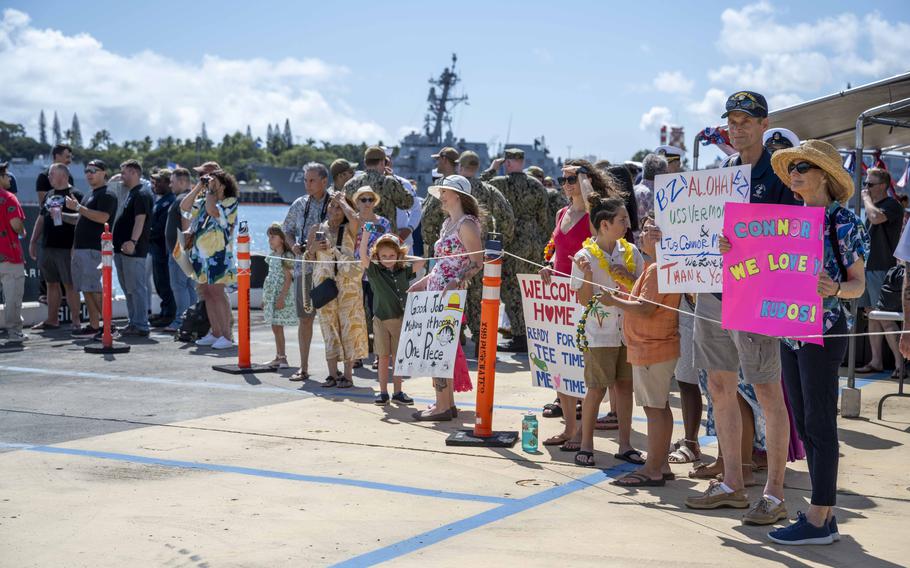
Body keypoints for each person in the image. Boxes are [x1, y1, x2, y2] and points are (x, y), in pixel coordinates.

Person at [686, 91, 799, 526]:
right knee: (719, 385)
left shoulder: (781, 174)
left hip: (755, 293)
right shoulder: (722, 173)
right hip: (713, 291)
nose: (737, 127)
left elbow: (794, 235)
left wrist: (745, 243)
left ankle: (774, 492)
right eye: (732, 120)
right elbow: (696, 227)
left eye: (746, 119)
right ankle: (732, 482)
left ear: (764, 123)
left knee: (768, 391)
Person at [765, 139, 867, 545]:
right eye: (792, 166)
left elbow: (859, 286)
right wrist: (733, 250)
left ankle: (819, 516)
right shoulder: (789, 220)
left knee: (820, 422)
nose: (795, 172)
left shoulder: (842, 220)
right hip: (791, 332)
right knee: (805, 421)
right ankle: (825, 513)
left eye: (804, 166)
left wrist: (834, 288)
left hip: (825, 331)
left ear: (824, 175)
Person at [570, 195, 644, 467]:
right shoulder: (583, 256)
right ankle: (586, 444)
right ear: (604, 224)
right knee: (597, 389)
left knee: (625, 388)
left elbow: (641, 289)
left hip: (627, 330)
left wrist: (626, 275)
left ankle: (625, 444)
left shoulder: (632, 252)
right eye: (622, 220)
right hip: (598, 332)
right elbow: (582, 299)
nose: (627, 224)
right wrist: (588, 275)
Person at [607, 219, 681, 486]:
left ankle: (652, 468)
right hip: (654, 346)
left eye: (651, 231)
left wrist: (612, 300)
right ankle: (660, 464)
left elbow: (646, 308)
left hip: (652, 347)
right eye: (645, 229)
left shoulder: (658, 268)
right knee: (659, 407)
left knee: (654, 409)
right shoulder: (657, 267)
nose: (643, 235)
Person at [409, 175, 483, 421]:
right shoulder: (449, 223)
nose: (441, 196)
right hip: (437, 291)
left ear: (458, 196)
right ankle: (445, 403)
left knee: (439, 347)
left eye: (445, 192)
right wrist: (424, 281)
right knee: (441, 347)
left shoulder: (466, 225)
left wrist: (456, 280)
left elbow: (477, 263)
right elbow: (443, 263)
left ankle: (442, 405)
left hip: (450, 295)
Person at [538, 162, 600, 450]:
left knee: (583, 364)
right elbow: (557, 251)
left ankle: (582, 432)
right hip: (558, 295)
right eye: (562, 179)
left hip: (582, 294)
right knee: (560, 362)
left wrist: (586, 188)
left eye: (572, 178)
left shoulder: (592, 214)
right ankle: (569, 427)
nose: (566, 183)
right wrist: (549, 266)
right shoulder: (561, 212)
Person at [482, 148, 549, 353]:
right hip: (534, 241)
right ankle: (533, 333)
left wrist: (492, 169)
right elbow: (544, 219)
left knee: (512, 290)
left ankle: (520, 336)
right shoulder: (537, 185)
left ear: (507, 163)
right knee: (531, 289)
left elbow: (479, 187)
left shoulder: (500, 184)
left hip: (512, 242)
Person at [306, 192, 367, 388]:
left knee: (349, 327)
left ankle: (348, 375)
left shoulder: (350, 227)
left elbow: (358, 219)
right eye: (331, 206)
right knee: (328, 327)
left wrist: (343, 200)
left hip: (347, 283)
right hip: (324, 282)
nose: (334, 210)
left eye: (338, 207)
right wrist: (313, 248)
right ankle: (332, 374)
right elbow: (309, 259)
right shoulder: (317, 228)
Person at [458, 150, 515, 354]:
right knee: (480, 299)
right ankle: (482, 344)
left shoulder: (453, 189)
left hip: (453, 252)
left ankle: (455, 341)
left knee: (454, 295)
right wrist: (499, 243)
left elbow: (429, 217)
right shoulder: (489, 191)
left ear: (460, 166)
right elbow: (507, 216)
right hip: (480, 252)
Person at [359, 232, 424, 404]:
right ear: (377, 257)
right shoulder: (374, 271)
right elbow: (362, 255)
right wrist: (366, 235)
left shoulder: (404, 270)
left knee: (398, 358)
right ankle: (382, 392)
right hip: (381, 320)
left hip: (400, 320)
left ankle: (398, 392)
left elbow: (421, 261)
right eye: (384, 256)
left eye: (392, 255)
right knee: (383, 357)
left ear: (398, 255)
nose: (388, 259)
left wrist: (402, 256)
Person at [283, 162, 333, 381]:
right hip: (304, 268)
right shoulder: (298, 204)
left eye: (312, 180)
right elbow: (287, 230)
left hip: (328, 270)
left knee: (331, 320)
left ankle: (335, 371)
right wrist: (293, 245)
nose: (307, 184)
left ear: (324, 181)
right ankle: (303, 367)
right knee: (305, 319)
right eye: (305, 180)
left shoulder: (335, 204)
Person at [180, 169, 239, 349]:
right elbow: (184, 207)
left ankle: (227, 336)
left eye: (213, 180)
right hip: (201, 255)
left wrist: (211, 191)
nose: (209, 183)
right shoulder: (203, 200)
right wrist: (199, 186)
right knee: (206, 293)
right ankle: (215, 332)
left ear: (223, 183)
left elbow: (213, 211)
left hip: (218, 255)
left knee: (217, 293)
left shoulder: (230, 202)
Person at [857, 167, 903, 375]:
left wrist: (866, 199)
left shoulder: (891, 205)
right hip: (868, 267)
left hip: (882, 268)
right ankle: (876, 361)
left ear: (883, 186)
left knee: (885, 318)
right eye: (865, 184)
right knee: (871, 314)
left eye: (870, 184)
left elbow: (876, 218)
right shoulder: (873, 207)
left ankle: (900, 365)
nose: (866, 188)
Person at [65, 159, 118, 337]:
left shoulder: (107, 194)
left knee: (95, 289)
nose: (89, 174)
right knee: (86, 289)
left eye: (93, 170)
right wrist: (60, 214)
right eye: (87, 170)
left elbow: (103, 217)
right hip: (82, 248)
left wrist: (78, 207)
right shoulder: (90, 194)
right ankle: (94, 325)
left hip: (94, 249)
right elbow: (82, 219)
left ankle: (110, 326)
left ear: (104, 173)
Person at [28, 163, 83, 332]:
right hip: (48, 246)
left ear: (63, 176)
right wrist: (33, 241)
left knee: (70, 284)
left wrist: (75, 246)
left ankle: (76, 321)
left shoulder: (76, 194)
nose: (49, 178)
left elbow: (81, 219)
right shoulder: (49, 195)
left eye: (52, 174)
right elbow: (42, 217)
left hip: (66, 247)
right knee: (51, 283)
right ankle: (52, 320)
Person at [111, 160, 154, 337]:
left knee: (136, 287)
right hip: (122, 249)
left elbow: (140, 220)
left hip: (133, 249)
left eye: (124, 173)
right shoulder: (132, 192)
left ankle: (141, 324)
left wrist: (133, 241)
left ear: (134, 172)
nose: (122, 176)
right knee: (128, 288)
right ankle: (133, 322)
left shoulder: (142, 193)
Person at [353, 185, 392, 367]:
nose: (367, 203)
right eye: (363, 199)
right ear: (357, 202)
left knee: (378, 315)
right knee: (357, 315)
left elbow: (389, 248)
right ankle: (357, 355)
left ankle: (379, 355)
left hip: (376, 275)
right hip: (355, 275)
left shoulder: (383, 223)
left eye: (370, 199)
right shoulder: (352, 222)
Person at [342, 146, 413, 233]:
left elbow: (344, 210)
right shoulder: (389, 182)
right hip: (385, 239)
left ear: (365, 163)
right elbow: (408, 203)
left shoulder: (350, 184)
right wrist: (393, 178)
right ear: (382, 163)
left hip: (359, 237)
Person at [164, 168, 198, 332]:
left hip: (181, 249)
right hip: (186, 249)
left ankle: (181, 321)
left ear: (183, 181)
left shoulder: (183, 199)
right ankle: (192, 320)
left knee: (179, 286)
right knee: (189, 287)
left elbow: (187, 225)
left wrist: (184, 251)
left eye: (173, 181)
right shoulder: (186, 198)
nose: (170, 185)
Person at [261, 222, 297, 369]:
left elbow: (288, 279)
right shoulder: (272, 256)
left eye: (273, 237)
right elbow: (270, 277)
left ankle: (282, 358)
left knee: (278, 326)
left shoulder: (286, 256)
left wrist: (281, 297)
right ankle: (278, 356)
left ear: (282, 239)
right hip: (271, 294)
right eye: (269, 237)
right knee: (275, 326)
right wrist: (265, 298)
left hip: (281, 294)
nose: (270, 240)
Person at [0, 162, 27, 344]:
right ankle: (14, 331)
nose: (9, 178)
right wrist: (23, 231)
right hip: (9, 254)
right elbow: (16, 225)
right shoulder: (9, 198)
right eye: (6, 174)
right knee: (13, 296)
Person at [148, 168, 176, 327]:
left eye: (160, 181)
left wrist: (145, 234)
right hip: (155, 248)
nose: (156, 184)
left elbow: (160, 227)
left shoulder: (170, 201)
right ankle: (165, 311)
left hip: (162, 249)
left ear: (168, 183)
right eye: (155, 181)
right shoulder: (160, 200)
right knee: (159, 282)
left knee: (165, 282)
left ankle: (170, 314)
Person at [420, 146, 461, 247]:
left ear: (444, 159)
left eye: (438, 160)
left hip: (446, 244)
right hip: (431, 244)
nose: (436, 163)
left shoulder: (457, 184)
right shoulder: (438, 182)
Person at [633, 154, 668, 230]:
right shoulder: (655, 195)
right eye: (666, 172)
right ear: (662, 173)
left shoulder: (633, 190)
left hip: (631, 239)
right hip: (647, 240)